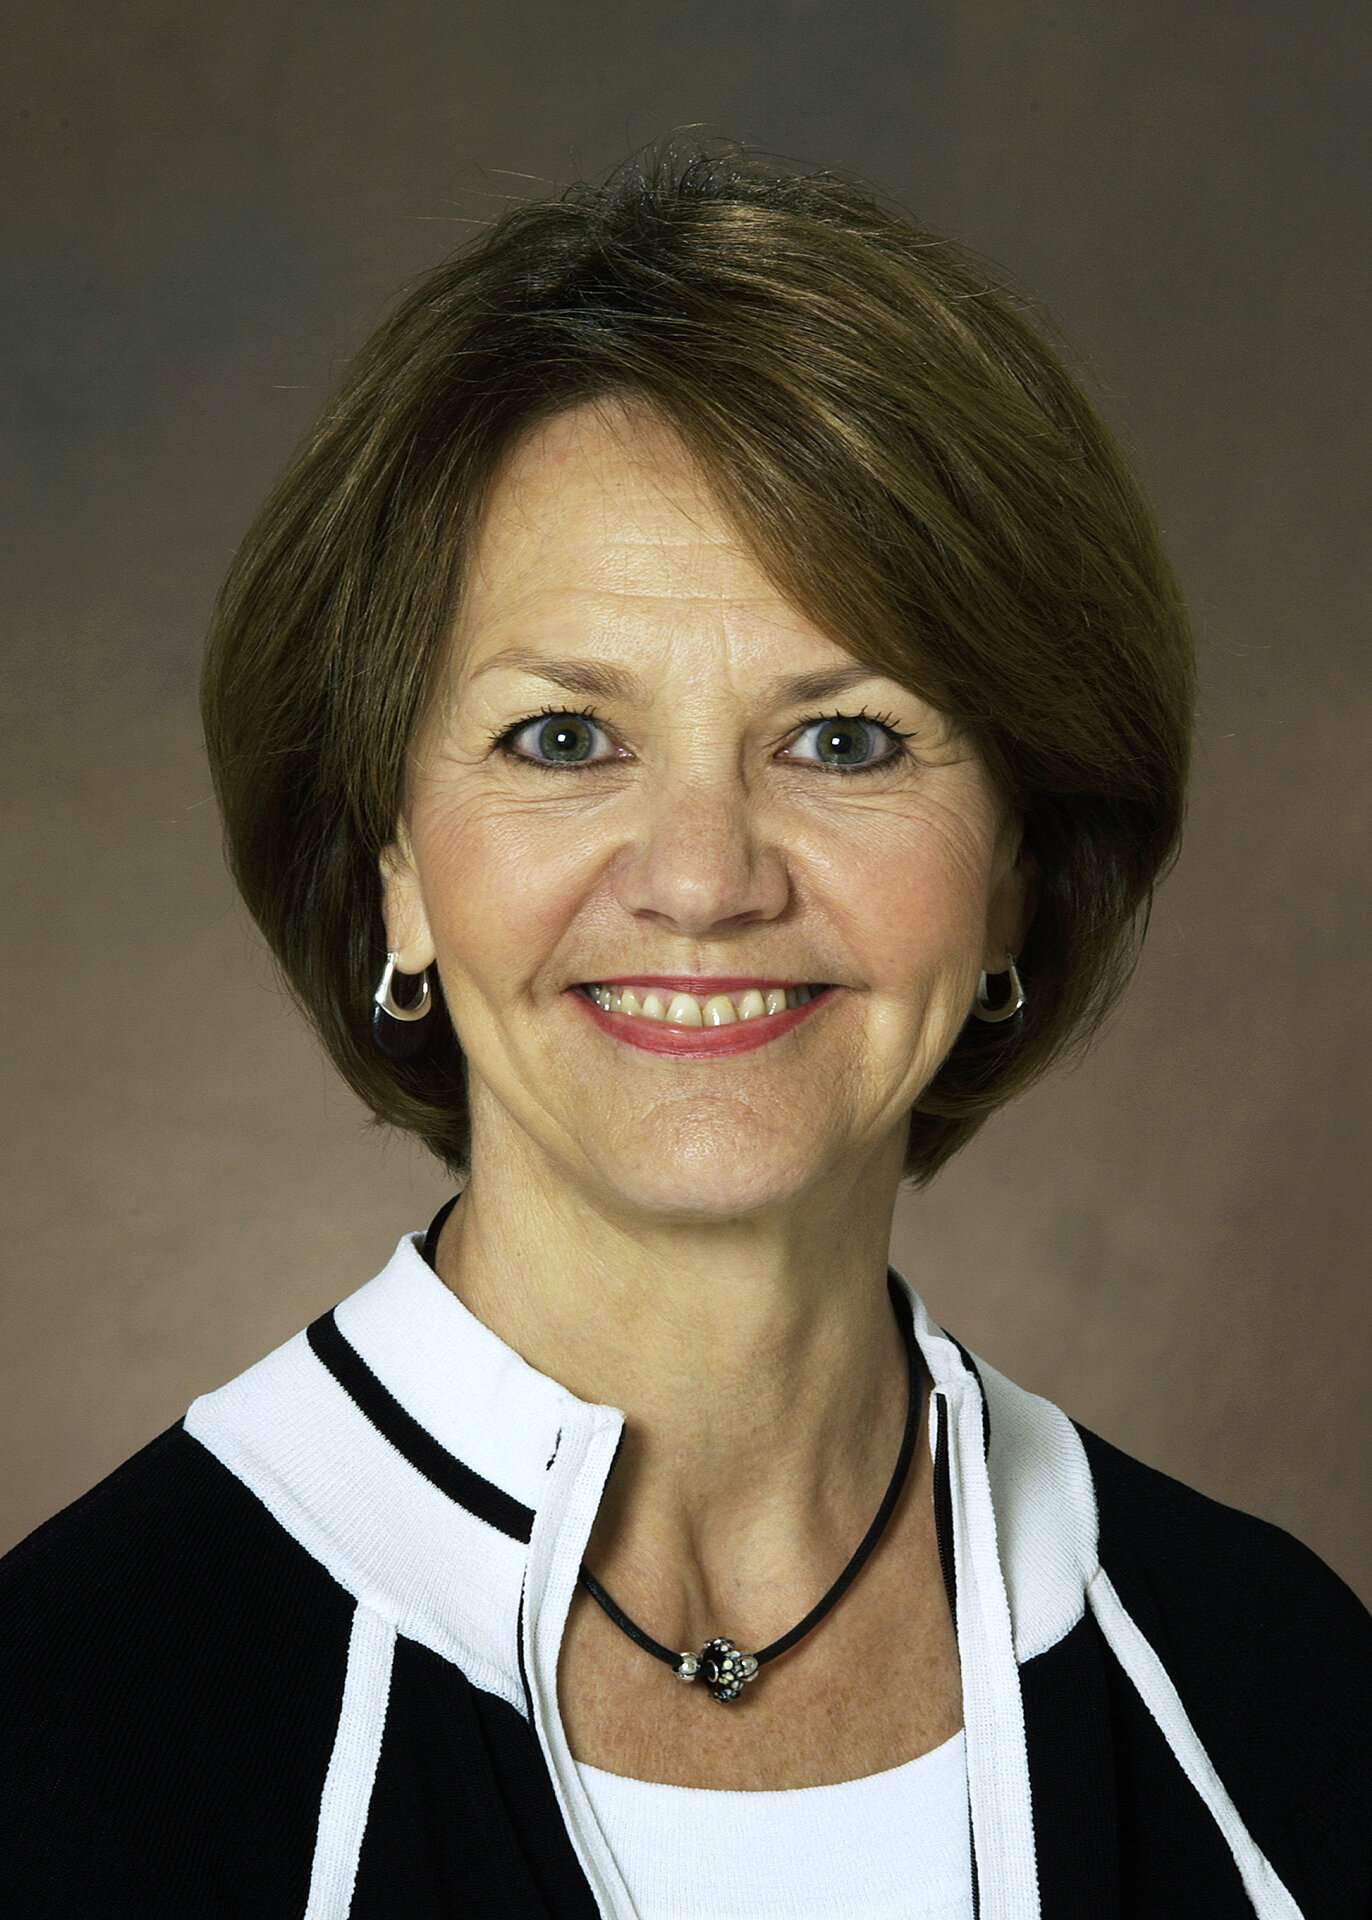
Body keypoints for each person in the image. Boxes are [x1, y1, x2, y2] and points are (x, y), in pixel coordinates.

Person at [1, 145, 1367, 1920]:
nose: (706, 880)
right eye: (564, 739)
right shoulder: (67, 1727)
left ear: (1018, 872)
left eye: (845, 740)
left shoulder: (1280, 1696)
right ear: (393, 864)